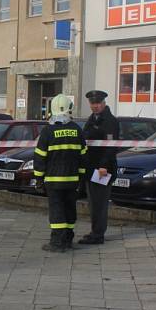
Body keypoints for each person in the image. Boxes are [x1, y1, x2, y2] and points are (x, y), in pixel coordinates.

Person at [34, 94, 87, 252]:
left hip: (53, 180)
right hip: (73, 180)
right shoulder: (76, 130)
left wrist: (38, 179)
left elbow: (40, 156)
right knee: (70, 208)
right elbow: (83, 156)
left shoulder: (48, 131)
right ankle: (68, 240)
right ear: (69, 109)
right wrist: (82, 178)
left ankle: (57, 243)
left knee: (57, 210)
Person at [79, 90, 120, 245]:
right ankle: (95, 232)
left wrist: (103, 166)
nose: (94, 106)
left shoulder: (110, 121)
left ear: (103, 103)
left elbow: (110, 147)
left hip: (103, 169)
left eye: (97, 103)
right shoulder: (92, 119)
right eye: (92, 103)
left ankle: (98, 235)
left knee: (100, 203)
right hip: (91, 168)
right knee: (93, 202)